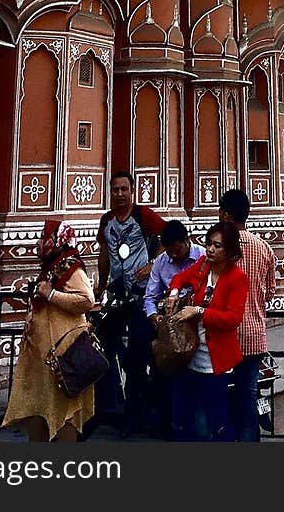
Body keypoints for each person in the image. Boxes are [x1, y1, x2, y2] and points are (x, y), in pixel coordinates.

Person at [2, 218, 96, 443]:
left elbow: (86, 300)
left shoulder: (70, 267)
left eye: (44, 237)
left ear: (57, 240)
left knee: (64, 411)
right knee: (40, 407)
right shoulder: (52, 267)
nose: (39, 242)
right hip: (44, 358)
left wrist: (52, 295)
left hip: (63, 357)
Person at [95, 170, 166, 435]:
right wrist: (100, 287)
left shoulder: (142, 215)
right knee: (103, 343)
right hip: (116, 295)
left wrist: (152, 265)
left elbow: (168, 237)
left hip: (141, 296)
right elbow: (104, 253)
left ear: (132, 191)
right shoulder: (107, 220)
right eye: (115, 190)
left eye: (124, 189)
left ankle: (136, 413)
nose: (120, 194)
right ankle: (112, 404)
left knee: (138, 352)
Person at [167, 220, 248, 441]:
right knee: (189, 418)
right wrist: (174, 293)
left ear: (229, 250)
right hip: (193, 355)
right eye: (209, 243)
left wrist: (200, 311)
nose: (211, 249)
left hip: (216, 361)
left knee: (214, 420)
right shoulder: (203, 265)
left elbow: (233, 318)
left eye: (218, 245)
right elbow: (180, 278)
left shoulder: (237, 278)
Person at [219, 186, 277, 440]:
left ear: (227, 216)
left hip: (224, 336)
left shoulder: (219, 249)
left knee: (220, 393)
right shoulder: (263, 248)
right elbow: (270, 291)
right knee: (249, 392)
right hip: (254, 335)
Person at [143, 220, 205, 439]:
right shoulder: (162, 262)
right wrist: (153, 315)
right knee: (169, 380)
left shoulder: (203, 258)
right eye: (170, 252)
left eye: (178, 250)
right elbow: (150, 296)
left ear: (186, 241)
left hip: (199, 331)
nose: (175, 256)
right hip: (171, 333)